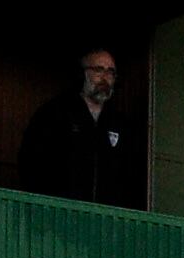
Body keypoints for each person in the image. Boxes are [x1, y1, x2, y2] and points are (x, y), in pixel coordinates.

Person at [16, 49, 145, 207]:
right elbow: (31, 163)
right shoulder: (55, 113)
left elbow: (132, 175)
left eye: (110, 72)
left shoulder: (121, 123)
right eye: (98, 70)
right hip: (58, 215)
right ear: (82, 74)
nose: (104, 78)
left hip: (106, 220)